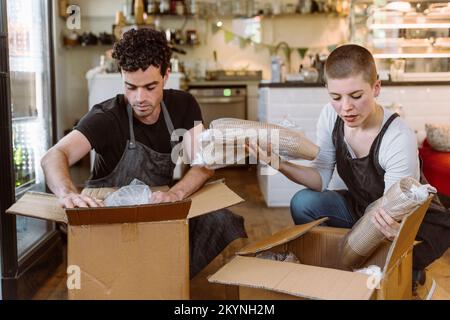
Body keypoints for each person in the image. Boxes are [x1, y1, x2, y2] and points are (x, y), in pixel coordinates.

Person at [41, 28, 246, 278]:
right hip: (111, 218)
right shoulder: (106, 117)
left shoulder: (184, 105)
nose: (139, 98)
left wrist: (175, 193)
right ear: (122, 78)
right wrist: (67, 193)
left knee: (223, 220)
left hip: (155, 210)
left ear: (166, 75)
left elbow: (202, 164)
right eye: (131, 87)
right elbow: (55, 154)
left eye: (150, 87)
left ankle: (167, 282)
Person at [248, 44, 450, 290]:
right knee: (303, 202)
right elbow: (320, 178)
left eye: (356, 96)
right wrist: (278, 163)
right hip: (364, 208)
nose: (346, 108)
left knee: (386, 267)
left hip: (405, 223)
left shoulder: (397, 137)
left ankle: (404, 268)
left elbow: (394, 211)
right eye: (336, 97)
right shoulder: (330, 116)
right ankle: (347, 260)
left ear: (376, 88)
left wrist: (375, 240)